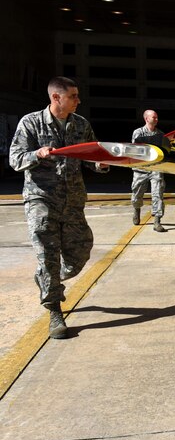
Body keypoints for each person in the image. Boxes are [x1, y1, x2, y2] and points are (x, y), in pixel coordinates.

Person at [9, 76, 108, 339]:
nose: (78, 100)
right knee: (47, 253)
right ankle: (54, 310)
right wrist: (36, 154)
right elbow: (15, 159)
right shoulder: (31, 122)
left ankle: (47, 276)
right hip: (41, 199)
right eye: (73, 96)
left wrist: (100, 165)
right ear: (56, 98)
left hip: (73, 200)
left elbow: (91, 156)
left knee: (81, 252)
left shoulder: (81, 124)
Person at [131, 109, 170, 232]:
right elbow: (134, 150)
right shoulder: (138, 133)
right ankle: (136, 210)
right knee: (137, 192)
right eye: (154, 117)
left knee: (158, 193)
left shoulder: (161, 135)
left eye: (157, 117)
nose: (156, 119)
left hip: (156, 167)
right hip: (141, 167)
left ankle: (157, 221)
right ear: (146, 119)